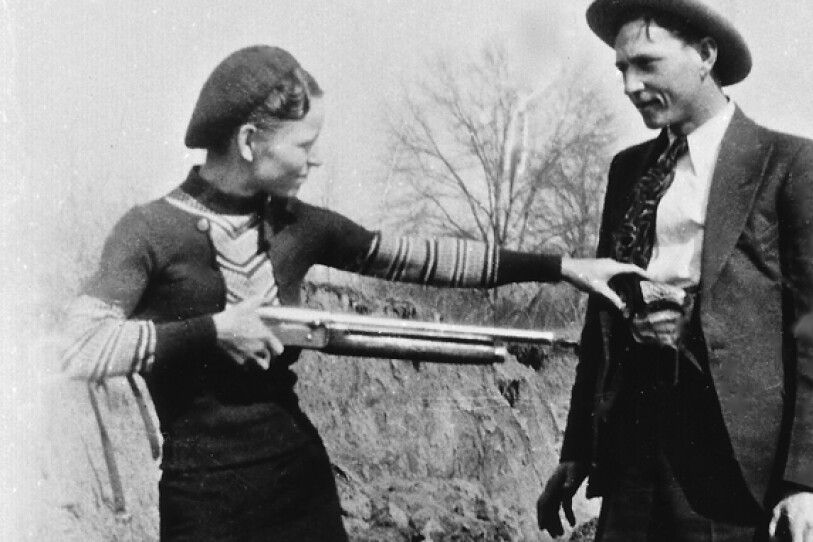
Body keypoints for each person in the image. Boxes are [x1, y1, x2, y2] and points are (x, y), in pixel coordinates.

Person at [59, 45, 644, 541]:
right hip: (204, 501)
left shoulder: (301, 225)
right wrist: (214, 331)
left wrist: (564, 265)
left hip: (299, 485)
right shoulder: (149, 230)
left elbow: (426, 258)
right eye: (303, 143)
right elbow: (77, 348)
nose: (316, 157)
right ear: (247, 140)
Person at [536, 1, 813, 541]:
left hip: (735, 473)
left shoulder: (791, 166)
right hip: (632, 459)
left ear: (705, 55)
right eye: (621, 68)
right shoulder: (627, 171)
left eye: (647, 64)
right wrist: (577, 452)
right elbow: (603, 325)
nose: (630, 85)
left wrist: (811, 482)